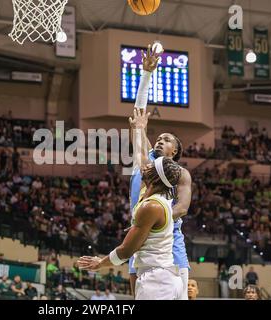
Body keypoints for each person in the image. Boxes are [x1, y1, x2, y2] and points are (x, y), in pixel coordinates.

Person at [127, 44, 192, 300]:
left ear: (175, 151)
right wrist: (146, 74)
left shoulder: (182, 174)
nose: (159, 140)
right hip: (140, 241)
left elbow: (183, 208)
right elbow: (138, 116)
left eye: (166, 139)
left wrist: (153, 221)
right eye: (158, 137)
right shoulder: (144, 164)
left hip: (169, 243)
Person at [78, 154, 184, 300]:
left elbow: (126, 251)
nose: (147, 165)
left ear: (156, 177)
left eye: (152, 166)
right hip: (165, 278)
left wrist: (101, 263)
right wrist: (139, 131)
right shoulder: (157, 200)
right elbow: (141, 154)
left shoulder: (151, 206)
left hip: (157, 282)